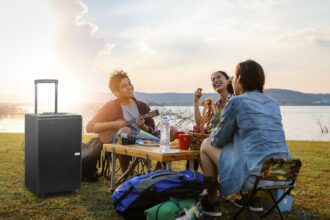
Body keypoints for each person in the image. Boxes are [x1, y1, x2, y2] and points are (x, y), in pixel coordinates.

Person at [200, 60, 290, 217]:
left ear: (240, 79)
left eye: (234, 77)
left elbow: (218, 140)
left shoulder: (236, 101)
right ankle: (252, 200)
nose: (233, 80)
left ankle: (212, 202)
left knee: (205, 144)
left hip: (254, 175)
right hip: (283, 171)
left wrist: (212, 134)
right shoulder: (273, 103)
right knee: (253, 150)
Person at [86, 70, 155, 172]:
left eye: (129, 84)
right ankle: (126, 174)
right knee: (125, 131)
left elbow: (152, 130)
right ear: (116, 92)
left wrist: (143, 126)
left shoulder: (143, 106)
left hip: (141, 139)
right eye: (124, 86)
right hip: (120, 140)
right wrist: (113, 124)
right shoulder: (111, 106)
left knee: (171, 130)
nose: (129, 87)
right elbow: (89, 127)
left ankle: (160, 173)